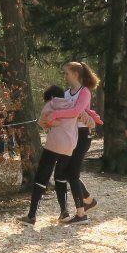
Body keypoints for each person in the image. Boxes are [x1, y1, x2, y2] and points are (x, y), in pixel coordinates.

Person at [23, 84, 84, 225]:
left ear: (50, 96)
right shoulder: (72, 105)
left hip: (54, 145)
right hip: (69, 147)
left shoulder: (51, 104)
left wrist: (50, 125)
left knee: (41, 178)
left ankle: (31, 215)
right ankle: (64, 212)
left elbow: (42, 122)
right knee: (61, 177)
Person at [56, 60, 101, 223]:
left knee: (72, 174)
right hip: (70, 136)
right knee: (68, 173)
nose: (65, 76)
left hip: (82, 136)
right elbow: (64, 112)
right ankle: (88, 200)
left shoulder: (84, 92)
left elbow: (75, 111)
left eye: (66, 73)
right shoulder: (67, 93)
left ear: (75, 74)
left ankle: (81, 214)